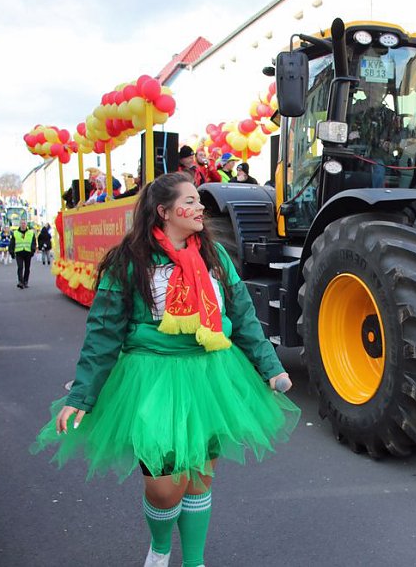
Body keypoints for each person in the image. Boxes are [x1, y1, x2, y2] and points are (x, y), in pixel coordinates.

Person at [31, 172, 300, 567]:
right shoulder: (129, 262)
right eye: (189, 201)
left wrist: (270, 368)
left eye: (198, 201)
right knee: (163, 488)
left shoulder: (215, 256)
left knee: (198, 478)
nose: (199, 208)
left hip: (211, 375)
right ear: (164, 211)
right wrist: (82, 395)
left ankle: (194, 561)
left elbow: (242, 316)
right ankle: (160, 547)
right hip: (152, 378)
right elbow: (103, 333)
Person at [9, 219, 36, 288]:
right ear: (20, 224)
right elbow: (12, 243)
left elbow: (33, 243)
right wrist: (11, 252)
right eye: (22, 223)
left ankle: (25, 281)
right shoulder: (15, 233)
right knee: (20, 267)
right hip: (19, 252)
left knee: (27, 268)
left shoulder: (31, 233)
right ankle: (20, 282)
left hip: (28, 252)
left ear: (26, 224)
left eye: (24, 223)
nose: (23, 225)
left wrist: (33, 250)